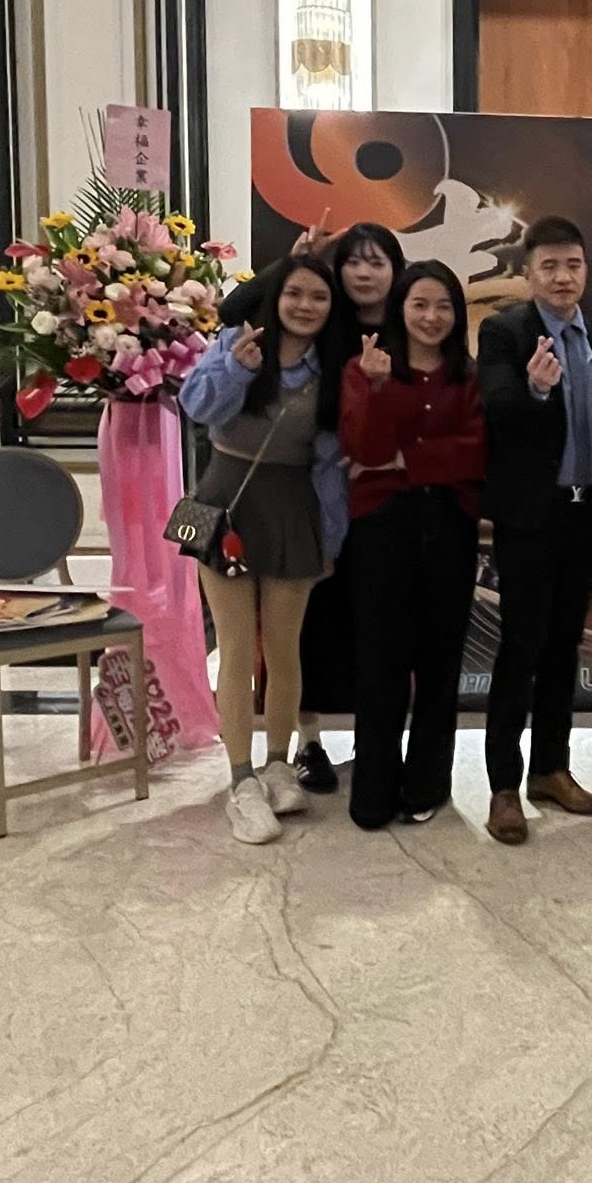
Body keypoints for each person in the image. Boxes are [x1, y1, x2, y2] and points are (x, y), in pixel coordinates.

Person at [220, 213, 408, 792]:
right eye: (353, 260)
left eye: (377, 262)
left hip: (383, 500)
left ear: (396, 270)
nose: (364, 273)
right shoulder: (323, 319)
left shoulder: (410, 324)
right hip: (308, 499)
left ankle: (380, 745)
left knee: (378, 625)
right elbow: (233, 312)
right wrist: (295, 259)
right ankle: (308, 743)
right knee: (306, 630)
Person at [180, 255, 350, 845]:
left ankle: (279, 765)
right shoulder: (237, 340)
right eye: (294, 293)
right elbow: (196, 407)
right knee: (234, 648)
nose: (305, 306)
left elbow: (332, 465)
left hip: (293, 507)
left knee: (283, 648)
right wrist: (236, 369)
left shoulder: (334, 368)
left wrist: (331, 539)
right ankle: (240, 779)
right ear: (276, 297)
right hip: (224, 498)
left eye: (319, 297)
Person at [475, 215, 592, 845]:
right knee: (521, 647)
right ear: (528, 273)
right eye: (550, 266)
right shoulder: (505, 331)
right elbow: (494, 408)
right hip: (531, 518)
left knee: (566, 647)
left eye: (573, 265)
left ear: (586, 269)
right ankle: (503, 786)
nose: (563, 277)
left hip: (587, 515)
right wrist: (535, 391)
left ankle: (551, 770)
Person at [339, 261, 486, 829]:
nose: (431, 317)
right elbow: (363, 448)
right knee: (381, 660)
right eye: (419, 304)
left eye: (443, 306)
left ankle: (427, 782)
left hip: (450, 524)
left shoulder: (468, 376)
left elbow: (478, 450)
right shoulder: (365, 367)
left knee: (440, 661)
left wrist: (409, 459)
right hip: (382, 526)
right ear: (400, 308)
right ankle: (374, 787)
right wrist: (376, 390)